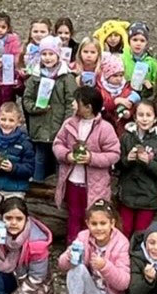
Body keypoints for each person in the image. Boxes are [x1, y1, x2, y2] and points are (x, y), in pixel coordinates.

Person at [52, 86, 121, 242]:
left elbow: (114, 154)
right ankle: (72, 251)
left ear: (88, 107)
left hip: (95, 185)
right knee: (73, 217)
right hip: (72, 182)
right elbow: (57, 144)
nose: (72, 105)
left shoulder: (105, 128)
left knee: (91, 219)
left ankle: (91, 251)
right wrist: (67, 155)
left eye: (76, 102)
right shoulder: (69, 123)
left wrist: (91, 158)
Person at [58, 199, 131, 294]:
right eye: (94, 224)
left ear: (112, 223)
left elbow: (124, 283)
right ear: (87, 223)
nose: (98, 228)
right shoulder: (83, 237)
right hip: (89, 289)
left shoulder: (121, 243)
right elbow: (62, 266)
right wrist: (68, 256)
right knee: (76, 268)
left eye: (103, 223)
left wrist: (105, 266)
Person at [21, 36, 73, 185]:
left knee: (59, 157)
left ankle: (60, 187)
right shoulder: (35, 77)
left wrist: (67, 124)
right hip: (40, 125)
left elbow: (71, 102)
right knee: (40, 156)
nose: (47, 57)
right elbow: (26, 100)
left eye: (51, 54)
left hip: (59, 125)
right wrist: (37, 108)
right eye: (44, 54)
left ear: (58, 55)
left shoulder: (66, 77)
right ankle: (36, 185)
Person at [116, 100, 157, 237]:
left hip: (148, 197)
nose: (144, 119)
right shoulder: (126, 138)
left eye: (148, 115)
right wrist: (128, 160)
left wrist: (148, 163)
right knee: (124, 231)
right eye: (141, 115)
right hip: (127, 194)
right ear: (135, 117)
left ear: (155, 118)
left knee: (141, 234)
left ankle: (137, 258)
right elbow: (117, 166)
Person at [0, 101, 34, 220]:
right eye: (3, 119)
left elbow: (29, 169)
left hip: (16, 189)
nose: (6, 124)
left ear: (19, 121)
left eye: (11, 120)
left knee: (13, 217)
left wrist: (13, 168)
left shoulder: (25, 143)